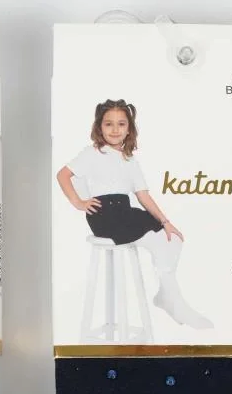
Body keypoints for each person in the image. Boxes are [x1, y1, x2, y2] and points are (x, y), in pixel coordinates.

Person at [57, 98, 212, 329]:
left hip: (125, 211)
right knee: (154, 239)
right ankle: (174, 302)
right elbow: (63, 175)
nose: (115, 129)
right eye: (108, 124)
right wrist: (78, 202)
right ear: (99, 127)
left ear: (129, 129)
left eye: (121, 124)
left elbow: (143, 196)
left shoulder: (129, 160)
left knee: (172, 238)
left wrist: (166, 222)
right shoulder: (92, 153)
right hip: (104, 215)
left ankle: (168, 296)